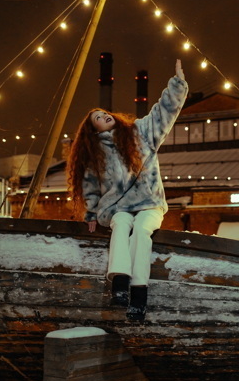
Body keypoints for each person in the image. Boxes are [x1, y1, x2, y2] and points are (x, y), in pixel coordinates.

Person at [67, 59, 188, 322]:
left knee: (142, 232)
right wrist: (90, 214)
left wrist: (177, 84)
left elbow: (163, 112)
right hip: (117, 207)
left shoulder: (140, 132)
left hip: (149, 203)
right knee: (121, 226)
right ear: (93, 130)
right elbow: (90, 185)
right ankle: (120, 284)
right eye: (98, 118)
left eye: (104, 112)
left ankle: (139, 293)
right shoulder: (95, 154)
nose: (104, 116)